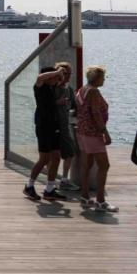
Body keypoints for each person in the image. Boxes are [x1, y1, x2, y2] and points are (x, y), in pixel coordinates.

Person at [23, 65, 69, 201]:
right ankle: (29, 185)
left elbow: (60, 83)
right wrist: (57, 71)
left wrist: (61, 73)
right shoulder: (39, 86)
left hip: (54, 126)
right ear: (49, 77)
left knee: (56, 157)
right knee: (44, 159)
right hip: (43, 126)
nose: (57, 78)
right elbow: (40, 77)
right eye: (54, 76)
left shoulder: (52, 87)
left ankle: (49, 189)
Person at [75, 66, 115, 211]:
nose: (104, 79)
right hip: (93, 133)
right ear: (96, 78)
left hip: (82, 131)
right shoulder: (93, 91)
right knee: (104, 166)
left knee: (87, 165)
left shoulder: (82, 89)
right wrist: (105, 132)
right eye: (103, 77)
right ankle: (100, 200)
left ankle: (85, 197)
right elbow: (96, 113)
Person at [53, 62, 79, 191]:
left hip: (64, 125)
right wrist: (58, 102)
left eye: (70, 74)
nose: (68, 76)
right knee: (53, 155)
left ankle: (62, 179)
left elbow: (75, 106)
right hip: (53, 126)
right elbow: (44, 104)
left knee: (69, 152)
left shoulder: (69, 89)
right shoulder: (52, 88)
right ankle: (55, 181)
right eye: (66, 73)